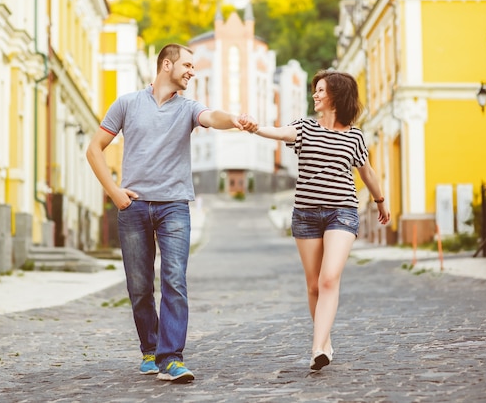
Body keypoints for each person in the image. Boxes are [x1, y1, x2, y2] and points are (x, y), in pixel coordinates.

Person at [86, 43, 258, 383]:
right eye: (188, 65)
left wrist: (235, 120)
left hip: (174, 206)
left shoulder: (188, 108)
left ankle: (172, 358)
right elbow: (94, 149)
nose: (193, 72)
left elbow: (211, 117)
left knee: (174, 280)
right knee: (139, 286)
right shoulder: (127, 104)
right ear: (167, 64)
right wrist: (115, 193)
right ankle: (150, 350)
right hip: (133, 207)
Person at [250, 69, 390, 370]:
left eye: (321, 90)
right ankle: (324, 342)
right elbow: (279, 132)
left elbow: (367, 173)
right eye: (315, 89)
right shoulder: (304, 128)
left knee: (329, 279)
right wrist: (254, 128)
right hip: (306, 215)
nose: (315, 94)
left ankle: (316, 347)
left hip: (342, 212)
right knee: (313, 285)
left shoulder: (355, 136)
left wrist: (380, 201)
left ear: (337, 96)